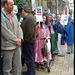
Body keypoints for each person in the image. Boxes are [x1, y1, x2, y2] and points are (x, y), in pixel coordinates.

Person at [1, 0, 23, 75]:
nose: (13, 6)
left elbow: (18, 27)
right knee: (7, 69)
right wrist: (15, 40)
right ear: (6, 5)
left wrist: (20, 38)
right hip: (7, 46)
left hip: (17, 46)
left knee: (18, 67)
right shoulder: (1, 16)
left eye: (13, 5)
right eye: (11, 5)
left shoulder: (14, 15)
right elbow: (4, 31)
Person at [21, 5, 36, 75]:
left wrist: (25, 40)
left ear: (24, 11)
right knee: (28, 57)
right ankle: (29, 71)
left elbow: (30, 32)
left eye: (22, 11)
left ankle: (32, 72)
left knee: (29, 58)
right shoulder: (28, 18)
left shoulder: (29, 18)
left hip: (28, 42)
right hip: (28, 42)